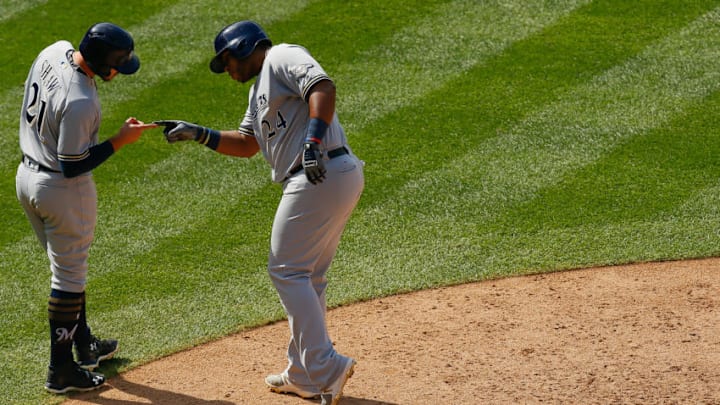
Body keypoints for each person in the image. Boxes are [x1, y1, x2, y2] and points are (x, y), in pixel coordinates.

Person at [156, 20, 364, 405]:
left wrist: (312, 142)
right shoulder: (258, 93)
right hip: (328, 175)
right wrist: (199, 133)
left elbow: (323, 87)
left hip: (319, 171)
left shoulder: (283, 57)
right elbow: (248, 144)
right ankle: (303, 373)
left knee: (286, 270)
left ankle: (326, 366)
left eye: (229, 60)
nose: (229, 70)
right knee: (308, 276)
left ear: (248, 46)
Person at [15, 22, 157, 394]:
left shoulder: (53, 49)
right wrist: (120, 140)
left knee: (69, 268)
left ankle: (84, 343)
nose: (120, 71)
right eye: (118, 64)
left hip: (26, 177)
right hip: (61, 189)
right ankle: (61, 370)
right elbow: (72, 163)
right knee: (68, 277)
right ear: (104, 64)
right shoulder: (80, 101)